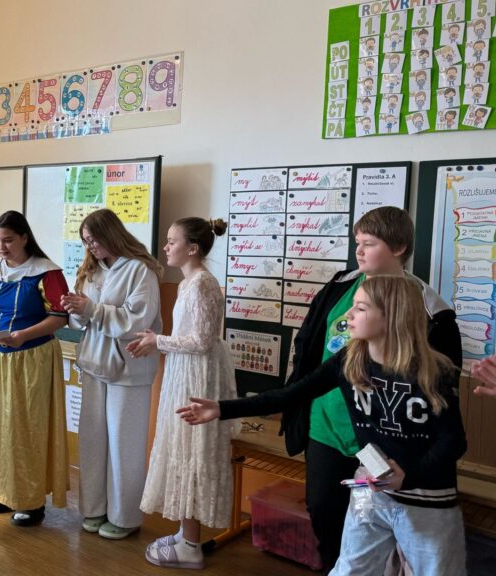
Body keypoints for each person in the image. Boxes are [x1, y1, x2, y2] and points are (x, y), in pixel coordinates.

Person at [179, 275, 468, 576]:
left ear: (392, 316)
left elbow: (454, 442)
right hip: (370, 489)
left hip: (426, 498)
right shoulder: (350, 360)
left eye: (361, 308)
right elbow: (291, 394)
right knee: (349, 569)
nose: (348, 315)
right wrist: (223, 408)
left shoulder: (434, 371)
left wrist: (408, 476)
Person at [279, 207, 462, 574]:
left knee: (389, 530)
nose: (359, 252)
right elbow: (309, 346)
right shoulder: (339, 287)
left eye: (369, 243)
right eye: (357, 243)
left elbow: (441, 392)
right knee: (325, 511)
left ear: (398, 247)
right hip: (327, 427)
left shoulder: (431, 309)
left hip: (388, 443)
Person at [127, 217, 235, 570]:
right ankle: (185, 534)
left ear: (193, 248)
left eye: (172, 241)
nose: (166, 247)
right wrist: (158, 341)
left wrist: (157, 341)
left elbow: (202, 341)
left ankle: (190, 546)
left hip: (197, 378)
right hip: (185, 372)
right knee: (181, 448)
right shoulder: (190, 282)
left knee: (192, 451)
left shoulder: (202, 283)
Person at [0, 210, 70, 527]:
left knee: (27, 427)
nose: (1, 247)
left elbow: (60, 317)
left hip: (32, 357)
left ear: (24, 238)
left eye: (7, 240)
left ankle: (30, 501)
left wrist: (23, 335)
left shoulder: (46, 273)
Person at [61, 209, 163, 540]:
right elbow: (81, 322)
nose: (90, 247)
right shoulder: (90, 271)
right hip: (94, 363)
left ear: (111, 234)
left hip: (129, 369)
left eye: (93, 239)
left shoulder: (140, 270)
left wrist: (91, 309)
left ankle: (125, 516)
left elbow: (137, 321)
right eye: (85, 241)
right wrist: (76, 310)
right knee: (92, 440)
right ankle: (95, 509)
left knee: (124, 444)